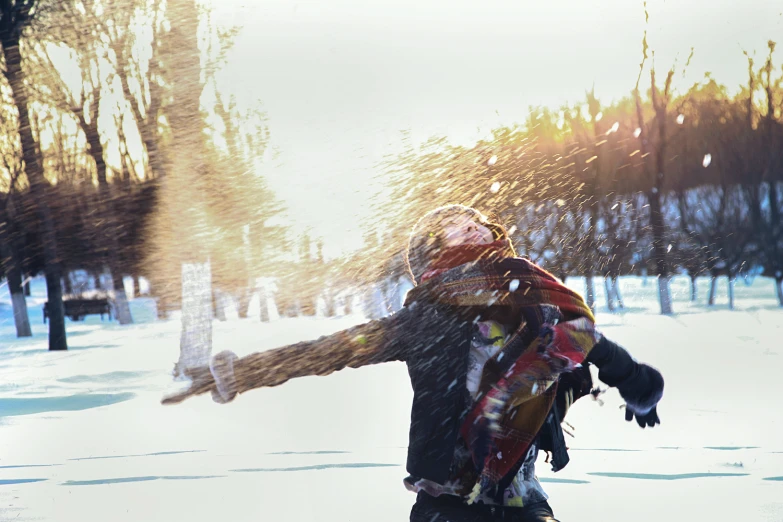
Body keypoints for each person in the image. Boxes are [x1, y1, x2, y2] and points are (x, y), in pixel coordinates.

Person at [163, 204, 664, 522]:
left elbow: (595, 347)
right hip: (446, 503)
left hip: (523, 500)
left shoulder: (536, 303)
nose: (471, 228)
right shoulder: (427, 316)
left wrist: (640, 389)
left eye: (475, 223)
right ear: (433, 254)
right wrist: (239, 373)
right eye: (455, 230)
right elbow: (328, 352)